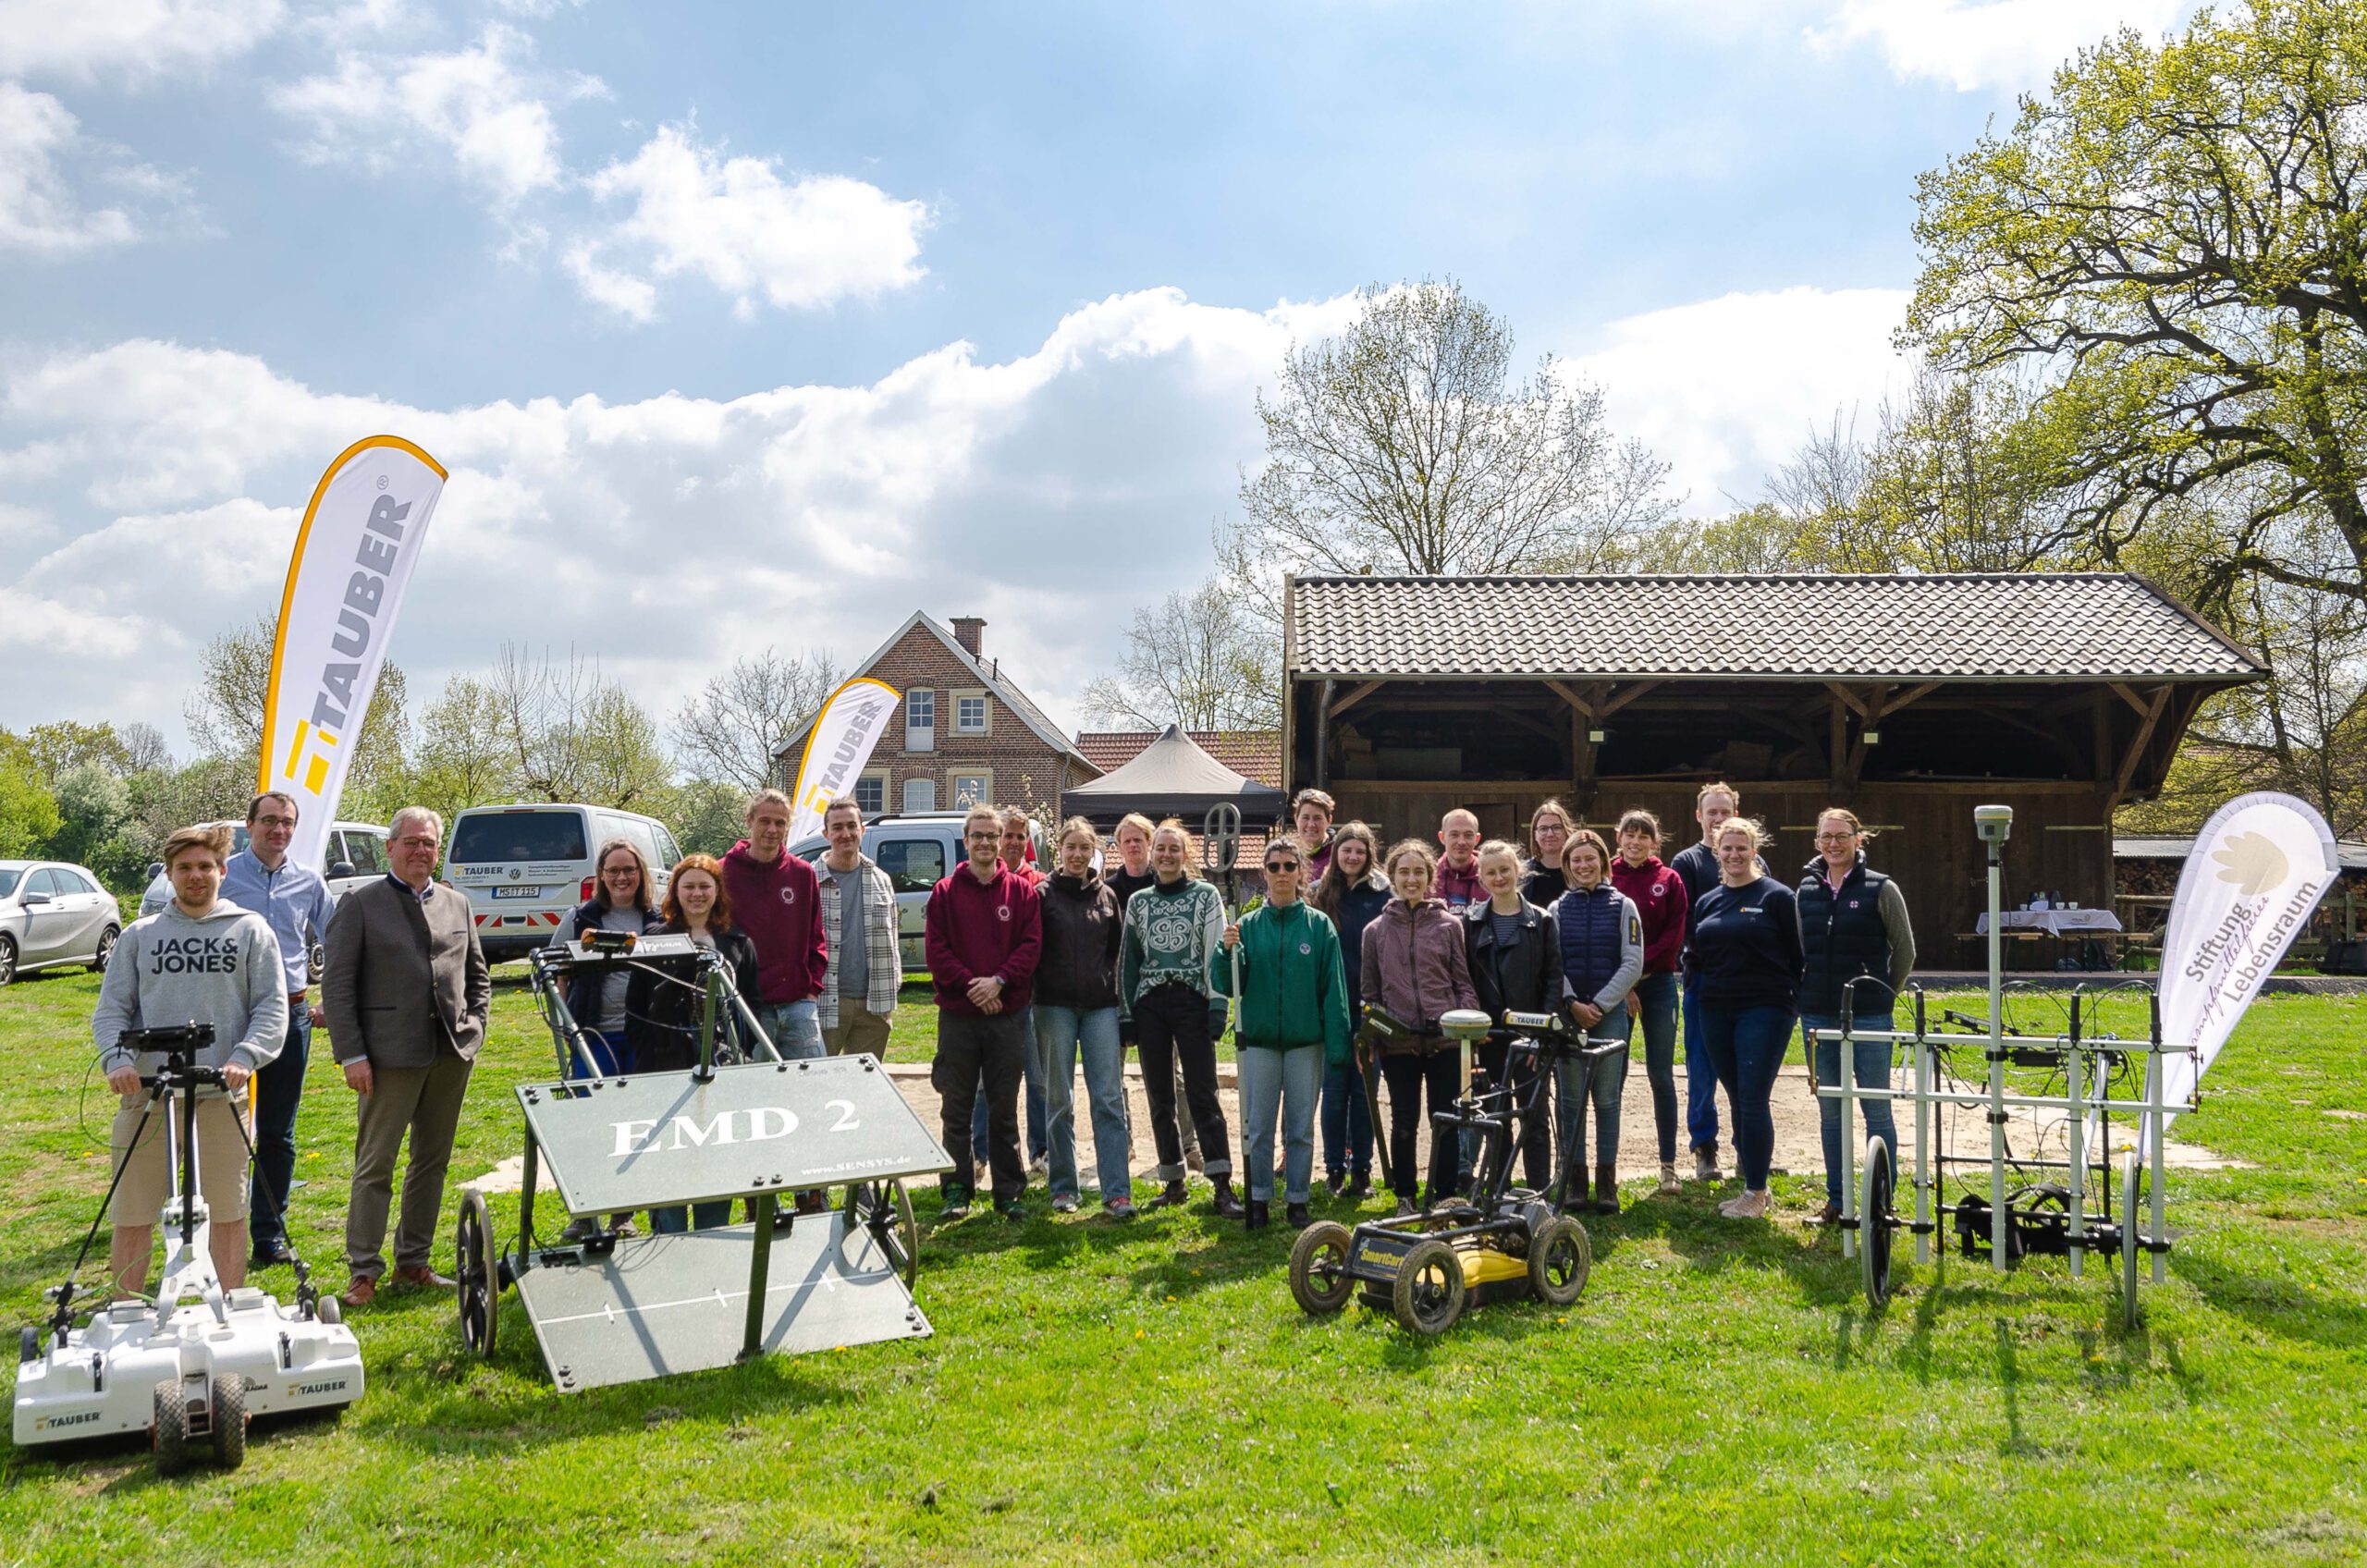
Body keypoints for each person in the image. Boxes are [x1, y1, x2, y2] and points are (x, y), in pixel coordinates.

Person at [94, 823, 287, 1295]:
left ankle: (229, 1311)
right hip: (148, 1095)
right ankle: (128, 1309)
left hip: (221, 1093)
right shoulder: (140, 936)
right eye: (185, 868)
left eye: (205, 867)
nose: (196, 876)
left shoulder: (249, 930)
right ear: (169, 874)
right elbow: (111, 1010)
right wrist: (117, 1060)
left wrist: (245, 1056)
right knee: (134, 1210)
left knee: (227, 1209)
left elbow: (271, 1007)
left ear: (223, 871)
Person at [323, 806, 489, 1308]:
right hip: (386, 1058)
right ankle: (364, 1271)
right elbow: (337, 988)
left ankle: (412, 1263)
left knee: (431, 1163)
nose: (421, 851)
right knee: (375, 1165)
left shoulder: (457, 904)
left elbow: (478, 976)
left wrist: (475, 1028)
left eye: (429, 844)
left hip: (449, 1054)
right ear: (391, 847)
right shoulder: (360, 905)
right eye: (411, 842)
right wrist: (352, 1054)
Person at [221, 790, 331, 1270]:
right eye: (269, 821)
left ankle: (268, 1235)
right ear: (250, 825)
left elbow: (340, 937)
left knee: (278, 1134)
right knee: (218, 1127)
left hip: (291, 1014)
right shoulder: (223, 877)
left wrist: (335, 999)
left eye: (287, 822)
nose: (279, 830)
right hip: (228, 1016)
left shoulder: (308, 882)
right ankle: (209, 1225)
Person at [1217, 837, 1351, 1230]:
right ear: (1264, 873)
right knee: (1258, 1128)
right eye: (1273, 866)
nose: (1281, 873)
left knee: (1300, 1128)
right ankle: (1258, 1198)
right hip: (1258, 1043)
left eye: (1288, 866)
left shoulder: (1319, 926)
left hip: (1305, 1043)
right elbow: (1228, 984)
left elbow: (1334, 989)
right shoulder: (1247, 926)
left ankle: (1297, 1200)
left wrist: (1338, 1044)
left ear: (1300, 872)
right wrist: (1226, 953)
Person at [625, 853, 762, 1232]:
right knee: (668, 1153)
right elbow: (634, 1006)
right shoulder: (653, 941)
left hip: (723, 1071)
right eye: (689, 887)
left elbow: (752, 1004)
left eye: (705, 886)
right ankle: (668, 1234)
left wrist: (740, 1052)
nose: (697, 894)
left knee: (716, 1153)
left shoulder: (738, 942)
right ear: (676, 892)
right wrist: (649, 1052)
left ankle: (711, 1231)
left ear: (717, 892)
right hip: (665, 1066)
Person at [1798, 807, 1917, 1226]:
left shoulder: (1881, 889)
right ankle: (1838, 1200)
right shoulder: (1806, 891)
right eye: (1826, 836)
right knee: (1831, 1111)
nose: (1833, 844)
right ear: (1817, 842)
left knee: (1875, 1109)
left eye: (1842, 836)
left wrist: (1882, 996)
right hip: (1816, 1015)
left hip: (1868, 1018)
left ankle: (1881, 1202)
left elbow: (1904, 951)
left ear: (1858, 839)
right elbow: (1801, 949)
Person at [924, 804, 1043, 1220]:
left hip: (1006, 1016)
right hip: (958, 1017)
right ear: (966, 840)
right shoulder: (944, 893)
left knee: (1003, 1108)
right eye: (979, 835)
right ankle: (957, 1190)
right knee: (955, 1107)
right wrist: (973, 987)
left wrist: (1000, 982)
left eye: (993, 836)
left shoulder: (1022, 892)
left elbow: (1030, 947)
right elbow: (937, 951)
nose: (987, 843)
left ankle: (1008, 1192)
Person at [1118, 819, 1241, 1217]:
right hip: (1152, 1003)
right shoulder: (1140, 902)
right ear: (1153, 854)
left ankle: (1222, 1183)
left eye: (1175, 848)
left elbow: (1214, 955)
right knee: (1159, 1096)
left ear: (1186, 854)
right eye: (1161, 848)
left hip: (1192, 1001)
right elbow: (1130, 962)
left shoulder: (1205, 897)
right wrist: (1127, 1014)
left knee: (1203, 1093)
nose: (1167, 855)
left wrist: (1217, 1006)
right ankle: (1173, 1180)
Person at [1689, 816, 1803, 1221]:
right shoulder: (1708, 901)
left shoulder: (1777, 897)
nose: (1734, 855)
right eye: (1727, 848)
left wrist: (1790, 1001)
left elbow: (1797, 955)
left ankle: (1756, 1191)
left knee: (1753, 1098)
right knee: (1737, 1096)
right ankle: (1753, 1184)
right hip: (1716, 1008)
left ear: (1755, 851)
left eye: (1742, 848)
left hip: (1766, 1008)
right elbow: (1696, 956)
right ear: (1716, 852)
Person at [1362, 838, 1480, 1216]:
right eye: (1403, 872)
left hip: (1444, 1041)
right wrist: (1375, 1030)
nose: (1411, 879)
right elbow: (1370, 992)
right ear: (1392, 877)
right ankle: (1405, 1195)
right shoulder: (1375, 931)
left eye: (1418, 872)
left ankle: (1444, 1195)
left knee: (1444, 1121)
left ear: (1430, 876)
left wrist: (1469, 1029)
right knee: (1404, 1121)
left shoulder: (1449, 926)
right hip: (1399, 1044)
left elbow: (1462, 981)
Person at [1034, 818, 1131, 1217]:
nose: (1077, 855)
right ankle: (1063, 1187)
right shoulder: (1042, 894)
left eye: (1083, 848)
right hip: (1053, 1007)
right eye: (1070, 847)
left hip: (1100, 1009)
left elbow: (1117, 952)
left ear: (1094, 851)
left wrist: (1109, 989)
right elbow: (1033, 949)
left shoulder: (1107, 896)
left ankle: (1117, 1191)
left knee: (1108, 1099)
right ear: (1060, 849)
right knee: (1059, 1100)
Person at [1551, 829, 1644, 1213]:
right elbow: (1552, 964)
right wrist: (1572, 1003)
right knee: (1571, 1101)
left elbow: (1633, 961)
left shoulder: (1624, 907)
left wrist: (1601, 1006)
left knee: (1607, 1100)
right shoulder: (1556, 910)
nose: (1584, 866)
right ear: (1568, 866)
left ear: (1603, 862)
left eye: (1590, 859)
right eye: (1576, 860)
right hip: (1570, 1018)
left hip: (1608, 1019)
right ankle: (1576, 1182)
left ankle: (1607, 1183)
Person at [1107, 813, 1203, 1178]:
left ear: (1150, 845)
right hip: (1115, 993)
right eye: (1126, 840)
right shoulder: (1109, 888)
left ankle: (1188, 1144)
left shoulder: (1168, 880)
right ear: (1118, 846)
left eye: (1139, 840)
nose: (1133, 846)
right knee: (1113, 1074)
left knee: (1170, 1076)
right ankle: (1125, 1140)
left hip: (1161, 998)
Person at [1461, 839, 1559, 1194]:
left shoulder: (1543, 921)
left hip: (1531, 1040)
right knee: (1495, 1118)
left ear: (1518, 872)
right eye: (1491, 872)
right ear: (1481, 878)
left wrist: (1542, 1034)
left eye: (1505, 870)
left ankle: (1538, 1192)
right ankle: (1497, 1191)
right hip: (1490, 1040)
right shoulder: (1470, 924)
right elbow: (1466, 979)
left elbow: (1553, 979)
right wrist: (1475, 1027)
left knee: (1534, 1119)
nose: (1499, 877)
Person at [1608, 808, 1690, 1197]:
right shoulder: (1606, 874)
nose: (1636, 842)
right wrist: (1623, 983)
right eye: (1629, 834)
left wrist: (1637, 971)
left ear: (1655, 842)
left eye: (1644, 836)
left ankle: (1668, 1165)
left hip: (1656, 985)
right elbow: (1601, 933)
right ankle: (1611, 1164)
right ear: (1618, 838)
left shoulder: (1669, 880)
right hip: (1614, 989)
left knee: (1661, 1074)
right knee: (1614, 1076)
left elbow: (1674, 935)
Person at [1673, 780, 1748, 1181]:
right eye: (1711, 812)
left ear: (1736, 812)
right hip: (1703, 979)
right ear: (1699, 816)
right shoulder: (1687, 862)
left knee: (1745, 1068)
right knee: (1702, 1067)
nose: (1718, 818)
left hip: (1748, 983)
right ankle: (1705, 1148)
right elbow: (1685, 923)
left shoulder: (1754, 861)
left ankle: (1747, 1148)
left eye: (1725, 810)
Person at [720, 789, 828, 1060]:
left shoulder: (803, 874)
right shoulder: (722, 872)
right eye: (765, 821)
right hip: (747, 1006)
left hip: (798, 1005)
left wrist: (812, 988)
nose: (772, 829)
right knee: (753, 1091)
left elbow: (816, 936)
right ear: (749, 821)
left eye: (780, 823)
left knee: (809, 1087)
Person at [1310, 822, 1389, 1198]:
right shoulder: (1319, 895)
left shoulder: (1383, 894)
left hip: (1372, 1006)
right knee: (1334, 1090)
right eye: (1346, 850)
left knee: (1365, 1092)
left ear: (1369, 853)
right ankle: (1334, 1169)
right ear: (1336, 853)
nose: (1353, 857)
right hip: (1331, 1008)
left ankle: (1362, 1170)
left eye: (1360, 851)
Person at [975, 805, 1049, 1176]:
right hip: (988, 996)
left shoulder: (1039, 882)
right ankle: (979, 1154)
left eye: (1022, 836)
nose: (1015, 842)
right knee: (987, 1083)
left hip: (1030, 995)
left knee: (1038, 1079)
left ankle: (1040, 1151)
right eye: (1009, 835)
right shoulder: (982, 881)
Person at [547, 837, 656, 1076]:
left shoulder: (657, 920)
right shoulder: (578, 918)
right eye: (614, 871)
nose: (622, 878)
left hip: (646, 1035)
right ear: (602, 875)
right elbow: (557, 975)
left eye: (629, 870)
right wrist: (566, 1026)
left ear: (641, 872)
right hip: (594, 1035)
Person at [815, 799, 900, 1060]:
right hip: (825, 1003)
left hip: (874, 1004)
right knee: (818, 1085)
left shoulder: (881, 879)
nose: (845, 834)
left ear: (862, 830)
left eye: (852, 826)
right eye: (837, 827)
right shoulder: (809, 880)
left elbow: (893, 936)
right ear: (826, 834)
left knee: (863, 1091)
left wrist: (893, 986)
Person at [1522, 800, 1574, 910]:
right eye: (1543, 829)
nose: (1550, 834)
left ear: (1566, 831)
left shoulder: (1577, 871)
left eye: (1557, 828)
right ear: (1535, 834)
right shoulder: (1523, 875)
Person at [1433, 808, 1484, 909]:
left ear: (1477, 839)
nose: (1461, 842)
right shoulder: (1430, 878)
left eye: (1468, 835)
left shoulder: (1489, 877)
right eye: (1454, 835)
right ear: (1442, 837)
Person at [1288, 788, 1337, 880]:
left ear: (1329, 820)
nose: (1311, 825)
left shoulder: (1339, 853)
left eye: (1317, 818)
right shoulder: (1286, 854)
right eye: (1305, 818)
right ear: (1296, 819)